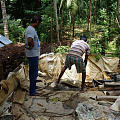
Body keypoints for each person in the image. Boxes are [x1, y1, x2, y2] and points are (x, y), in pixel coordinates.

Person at [25, 15, 41, 96]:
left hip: (33, 54)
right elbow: (29, 40)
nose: (39, 25)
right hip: (32, 55)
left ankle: (33, 87)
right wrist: (31, 46)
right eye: (39, 23)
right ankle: (32, 91)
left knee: (34, 72)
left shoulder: (31, 29)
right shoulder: (31, 29)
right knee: (33, 73)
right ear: (37, 22)